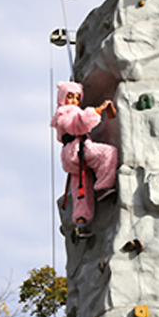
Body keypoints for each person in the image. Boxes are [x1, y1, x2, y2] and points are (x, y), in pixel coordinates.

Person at [50, 80, 118, 228]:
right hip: (77, 149)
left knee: (80, 185)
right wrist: (97, 111)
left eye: (76, 97)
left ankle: (81, 218)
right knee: (107, 153)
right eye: (70, 97)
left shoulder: (64, 113)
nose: (73, 101)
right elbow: (76, 125)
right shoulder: (64, 113)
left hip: (72, 153)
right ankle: (104, 186)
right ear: (62, 98)